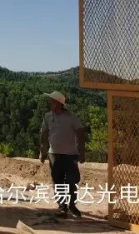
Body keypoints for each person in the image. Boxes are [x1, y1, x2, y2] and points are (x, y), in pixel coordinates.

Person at [39, 90, 85, 218]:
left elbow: (80, 133)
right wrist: (42, 152)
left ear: (59, 103)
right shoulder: (48, 116)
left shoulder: (71, 117)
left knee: (71, 181)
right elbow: (44, 134)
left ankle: (72, 205)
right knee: (57, 181)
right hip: (54, 154)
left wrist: (82, 152)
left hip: (71, 154)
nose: (50, 103)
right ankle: (62, 207)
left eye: (52, 101)